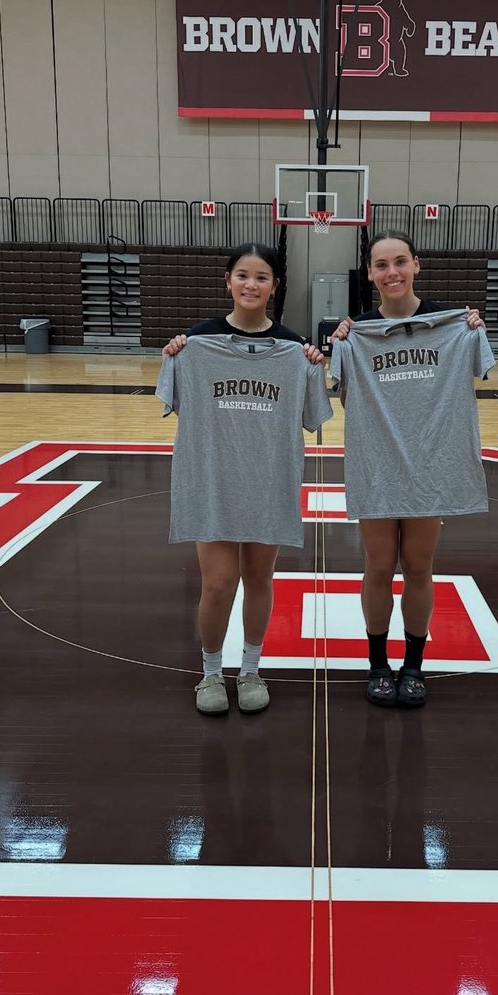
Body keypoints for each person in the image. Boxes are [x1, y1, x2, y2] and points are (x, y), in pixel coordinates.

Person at [158, 243, 331, 717]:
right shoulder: (194, 344)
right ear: (228, 281)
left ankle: (251, 669)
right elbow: (169, 395)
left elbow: (315, 417)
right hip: (211, 480)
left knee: (259, 577)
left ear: (275, 286)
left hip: (269, 480)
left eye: (261, 277)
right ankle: (211, 672)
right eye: (242, 275)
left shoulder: (297, 352)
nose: (251, 285)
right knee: (217, 584)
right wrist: (174, 354)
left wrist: (316, 367)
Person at [331, 229, 492, 710]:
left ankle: (414, 666)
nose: (392, 272)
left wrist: (472, 326)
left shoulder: (458, 324)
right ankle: (378, 665)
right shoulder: (353, 333)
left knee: (420, 568)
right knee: (378, 568)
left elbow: (479, 368)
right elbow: (335, 386)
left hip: (430, 465)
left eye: (399, 261)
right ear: (370, 274)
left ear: (416, 264)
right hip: (377, 465)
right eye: (381, 265)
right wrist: (339, 340)